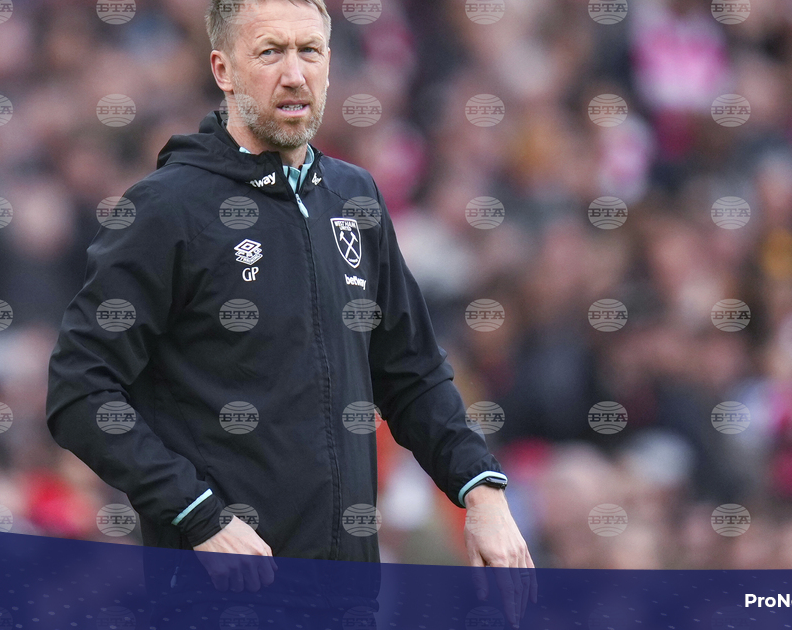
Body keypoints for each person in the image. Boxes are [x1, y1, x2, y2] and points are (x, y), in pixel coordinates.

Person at [45, 0, 536, 625]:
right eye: (270, 52)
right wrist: (197, 515)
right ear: (223, 70)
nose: (295, 73)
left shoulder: (355, 198)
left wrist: (482, 490)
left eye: (310, 51)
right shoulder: (166, 210)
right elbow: (79, 391)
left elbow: (412, 372)